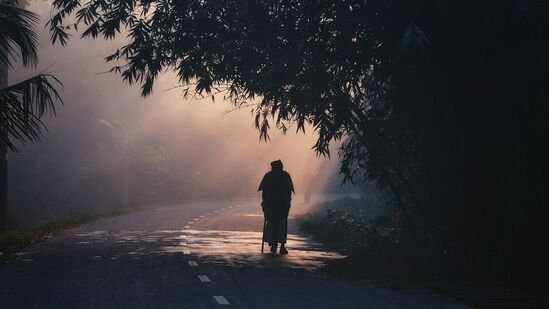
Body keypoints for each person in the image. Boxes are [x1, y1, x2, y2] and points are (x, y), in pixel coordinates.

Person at [258, 160, 294, 254]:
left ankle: (274, 244)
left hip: (272, 206)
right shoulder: (285, 175)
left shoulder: (268, 176)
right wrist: (287, 204)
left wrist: (265, 204)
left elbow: (264, 193)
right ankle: (281, 246)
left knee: (273, 224)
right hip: (281, 206)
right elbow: (288, 192)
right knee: (281, 225)